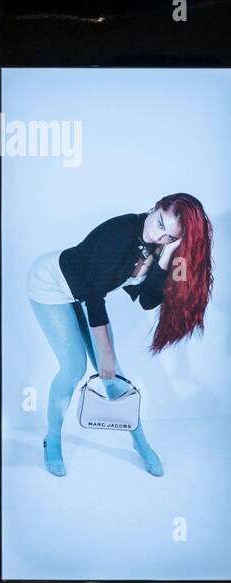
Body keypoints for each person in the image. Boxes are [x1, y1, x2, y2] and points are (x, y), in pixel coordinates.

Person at [27, 193, 213, 478]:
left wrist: (165, 257)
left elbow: (148, 300)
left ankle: (141, 444)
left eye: (168, 236)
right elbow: (94, 296)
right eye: (159, 222)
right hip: (51, 285)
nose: (158, 234)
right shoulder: (120, 233)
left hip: (82, 293)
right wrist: (105, 353)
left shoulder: (155, 248)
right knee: (74, 367)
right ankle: (52, 440)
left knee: (115, 378)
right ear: (155, 206)